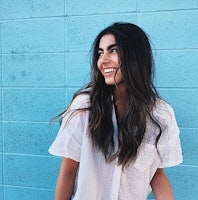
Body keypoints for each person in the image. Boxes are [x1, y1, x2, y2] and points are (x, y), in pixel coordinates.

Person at [49, 22, 183, 200]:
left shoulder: (160, 114)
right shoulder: (85, 106)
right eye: (100, 53)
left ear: (135, 56)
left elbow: (156, 174)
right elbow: (68, 170)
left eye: (113, 50)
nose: (103, 61)